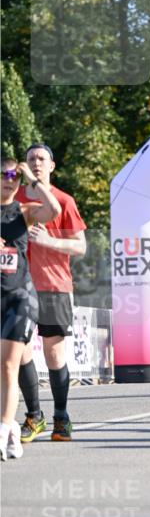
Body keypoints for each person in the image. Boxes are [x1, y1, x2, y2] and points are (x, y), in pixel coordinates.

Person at [16, 143, 87, 445]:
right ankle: (34, 415)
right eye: (31, 159)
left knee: (53, 352)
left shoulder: (63, 201)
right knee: (17, 352)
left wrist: (48, 241)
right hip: (17, 287)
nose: (36, 163)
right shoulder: (12, 199)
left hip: (54, 286)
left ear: (52, 166)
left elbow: (81, 247)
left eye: (42, 159)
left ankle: (61, 416)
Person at [1, 156, 60, 460]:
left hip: (20, 297)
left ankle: (3, 430)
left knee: (10, 365)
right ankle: (11, 428)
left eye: (14, 175)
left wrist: (34, 181)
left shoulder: (23, 212)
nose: (9, 179)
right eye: (3, 174)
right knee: (5, 368)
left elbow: (54, 211)